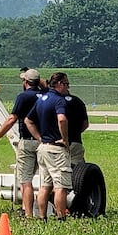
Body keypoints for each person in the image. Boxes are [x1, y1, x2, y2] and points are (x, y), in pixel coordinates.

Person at [0, 67, 42, 219]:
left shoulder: (23, 97)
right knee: (46, 180)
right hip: (44, 143)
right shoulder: (46, 95)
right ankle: (45, 213)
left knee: (26, 181)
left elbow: (12, 119)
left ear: (25, 82)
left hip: (28, 142)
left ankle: (28, 214)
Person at [27, 70, 73, 220]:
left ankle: (42, 217)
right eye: (66, 83)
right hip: (56, 149)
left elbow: (28, 120)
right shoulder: (59, 100)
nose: (68, 87)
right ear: (59, 84)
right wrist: (65, 138)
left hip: (43, 148)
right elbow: (62, 119)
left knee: (45, 185)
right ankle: (61, 218)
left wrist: (40, 137)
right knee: (61, 186)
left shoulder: (42, 99)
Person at [64, 80, 90, 168]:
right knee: (78, 171)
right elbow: (85, 124)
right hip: (76, 141)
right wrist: (75, 132)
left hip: (57, 143)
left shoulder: (52, 101)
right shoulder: (78, 101)